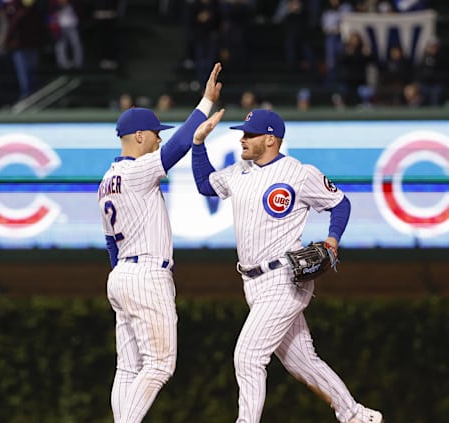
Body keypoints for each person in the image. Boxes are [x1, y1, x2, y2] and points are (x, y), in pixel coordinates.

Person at [190, 108, 384, 423]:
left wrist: (332, 240)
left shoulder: (298, 173)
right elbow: (205, 185)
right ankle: (357, 416)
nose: (243, 138)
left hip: (284, 279)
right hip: (252, 282)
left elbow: (340, 204)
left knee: (248, 356)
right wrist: (198, 144)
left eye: (250, 133)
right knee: (302, 362)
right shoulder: (240, 171)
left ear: (270, 138)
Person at [97, 62, 223, 423]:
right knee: (160, 365)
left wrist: (124, 278)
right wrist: (205, 103)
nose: (159, 138)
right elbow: (182, 143)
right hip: (147, 273)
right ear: (138, 136)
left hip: (122, 274)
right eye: (155, 133)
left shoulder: (107, 179)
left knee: (129, 368)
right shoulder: (137, 170)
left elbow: (110, 244)